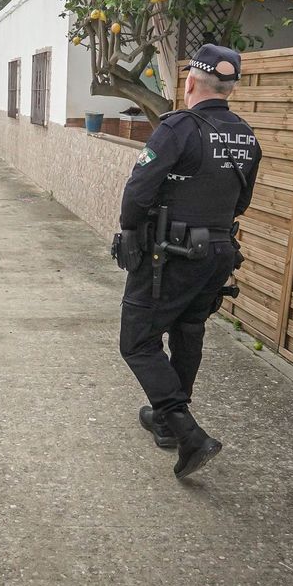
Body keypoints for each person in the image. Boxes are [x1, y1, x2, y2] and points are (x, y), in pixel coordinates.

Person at [114, 43, 261, 479]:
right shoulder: (247, 136)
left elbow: (138, 192)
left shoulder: (178, 127)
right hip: (217, 254)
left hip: (172, 254)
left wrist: (130, 233)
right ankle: (164, 422)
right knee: (188, 329)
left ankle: (186, 431)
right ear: (231, 88)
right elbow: (243, 201)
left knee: (137, 341)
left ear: (190, 82)